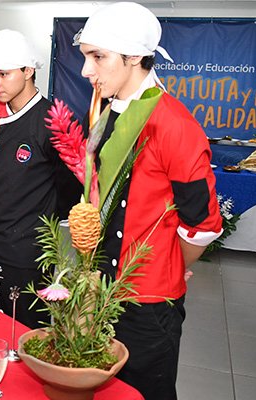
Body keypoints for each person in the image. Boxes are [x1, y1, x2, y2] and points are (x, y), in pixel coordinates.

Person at [75, 3, 223, 399]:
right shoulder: (108, 113)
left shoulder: (173, 123)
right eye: (86, 56)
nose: (87, 71)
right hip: (100, 289)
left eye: (98, 57)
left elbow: (203, 224)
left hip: (146, 304)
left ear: (135, 57)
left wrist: (168, 264)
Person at [0, 30, 80, 328]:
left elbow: (71, 187)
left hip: (26, 255)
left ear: (29, 71)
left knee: (23, 335)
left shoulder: (56, 119)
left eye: (3, 74)